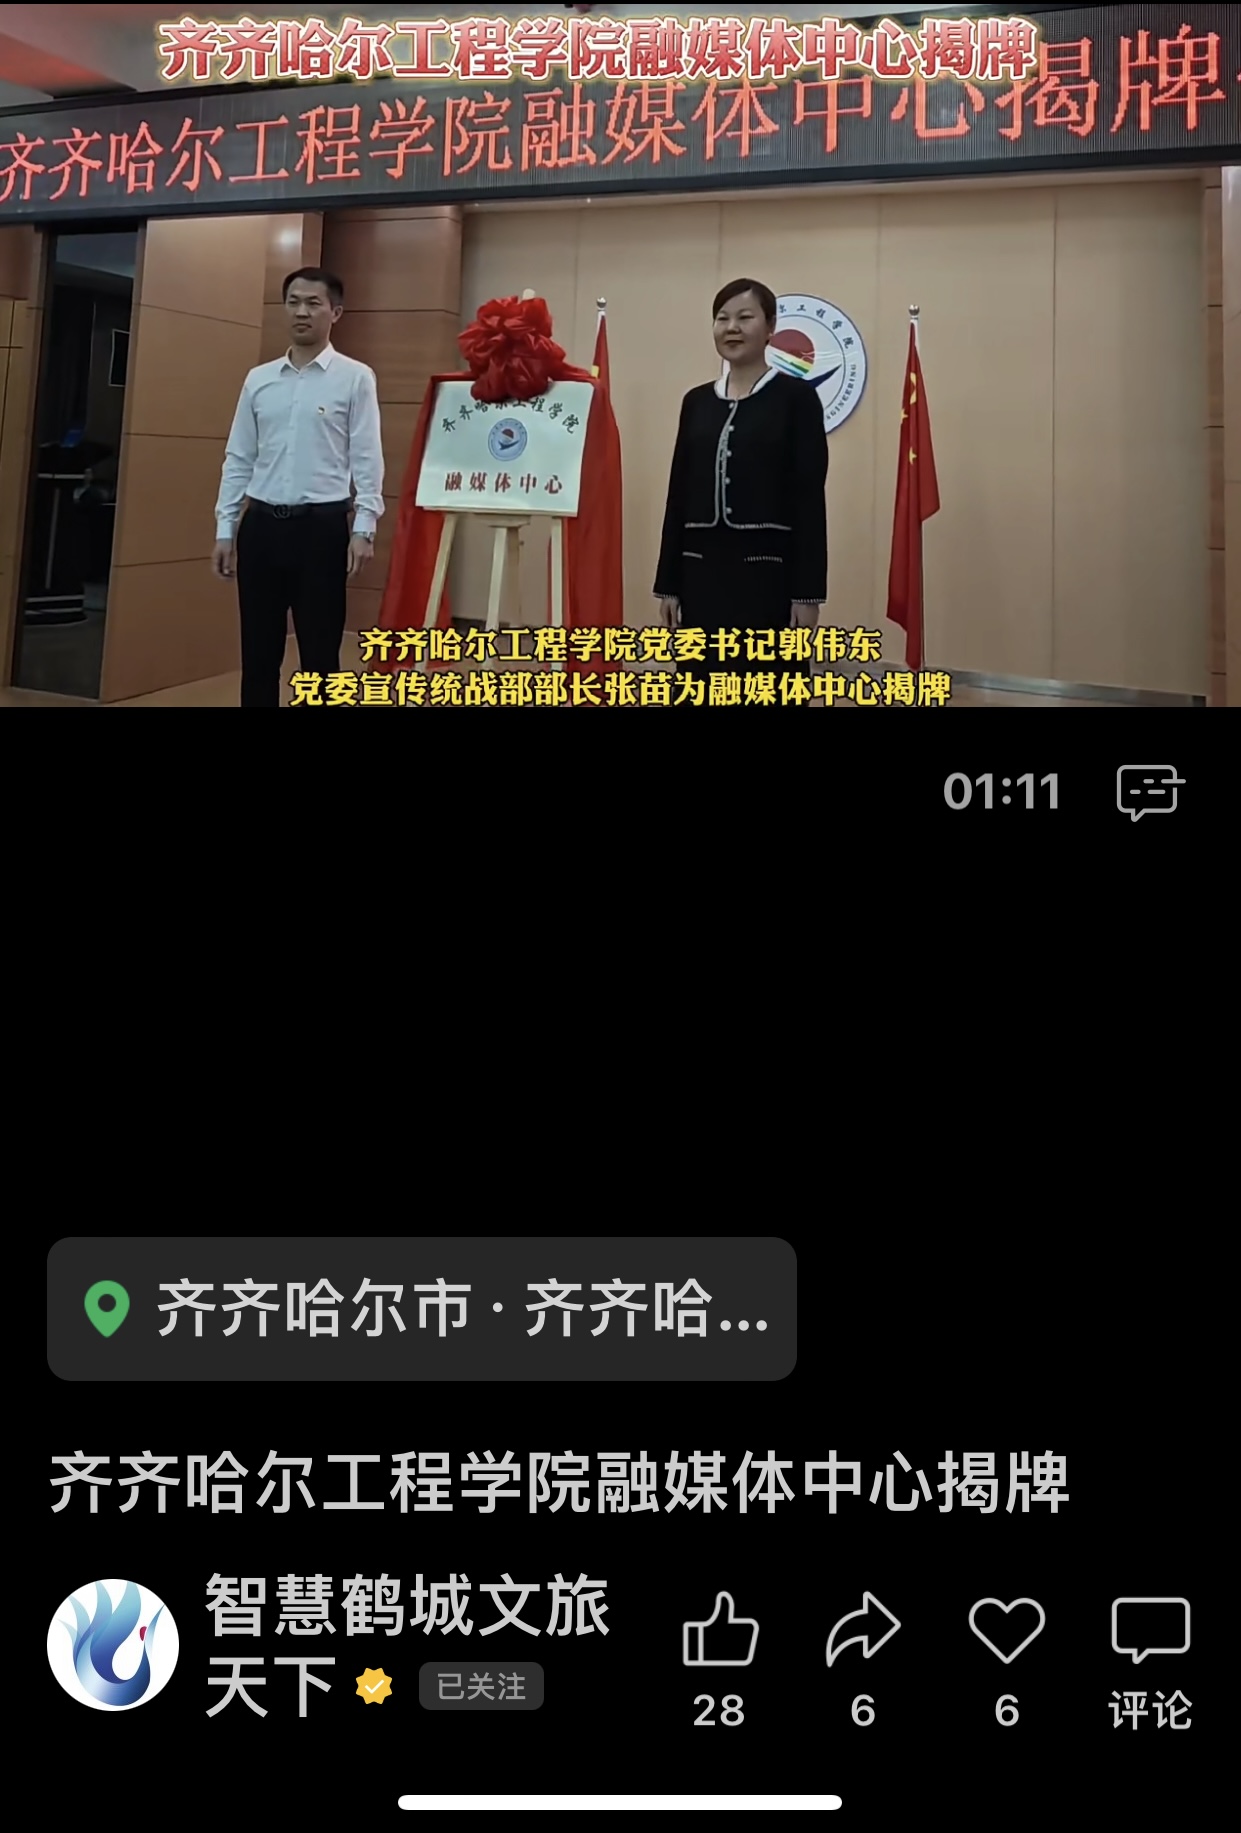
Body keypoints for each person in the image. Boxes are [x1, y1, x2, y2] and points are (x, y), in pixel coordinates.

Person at [213, 268, 384, 708]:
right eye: (293, 302)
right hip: (261, 528)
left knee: (321, 657)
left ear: (335, 312)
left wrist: (365, 527)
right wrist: (225, 528)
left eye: (313, 303)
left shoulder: (355, 377)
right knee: (258, 654)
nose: (301, 312)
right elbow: (239, 456)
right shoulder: (259, 379)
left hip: (321, 531)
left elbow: (367, 455)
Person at [654, 278, 828, 693]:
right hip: (700, 575)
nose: (731, 327)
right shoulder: (696, 402)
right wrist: (669, 584)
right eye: (722, 318)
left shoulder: (796, 399)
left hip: (768, 578)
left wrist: (807, 594)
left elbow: (809, 500)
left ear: (770, 327)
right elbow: (678, 496)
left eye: (745, 317)